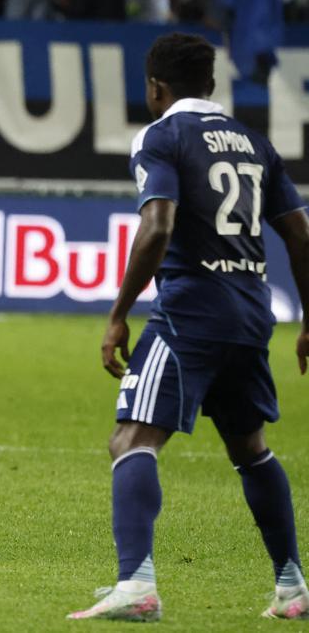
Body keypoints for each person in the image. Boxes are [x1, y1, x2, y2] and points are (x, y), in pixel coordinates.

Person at [68, 32, 309, 622]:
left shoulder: (163, 135)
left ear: (155, 87)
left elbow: (157, 226)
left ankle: (137, 585)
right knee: (250, 448)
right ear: (211, 84)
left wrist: (119, 313)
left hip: (192, 309)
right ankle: (293, 587)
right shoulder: (253, 143)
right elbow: (300, 233)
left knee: (131, 439)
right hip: (253, 311)